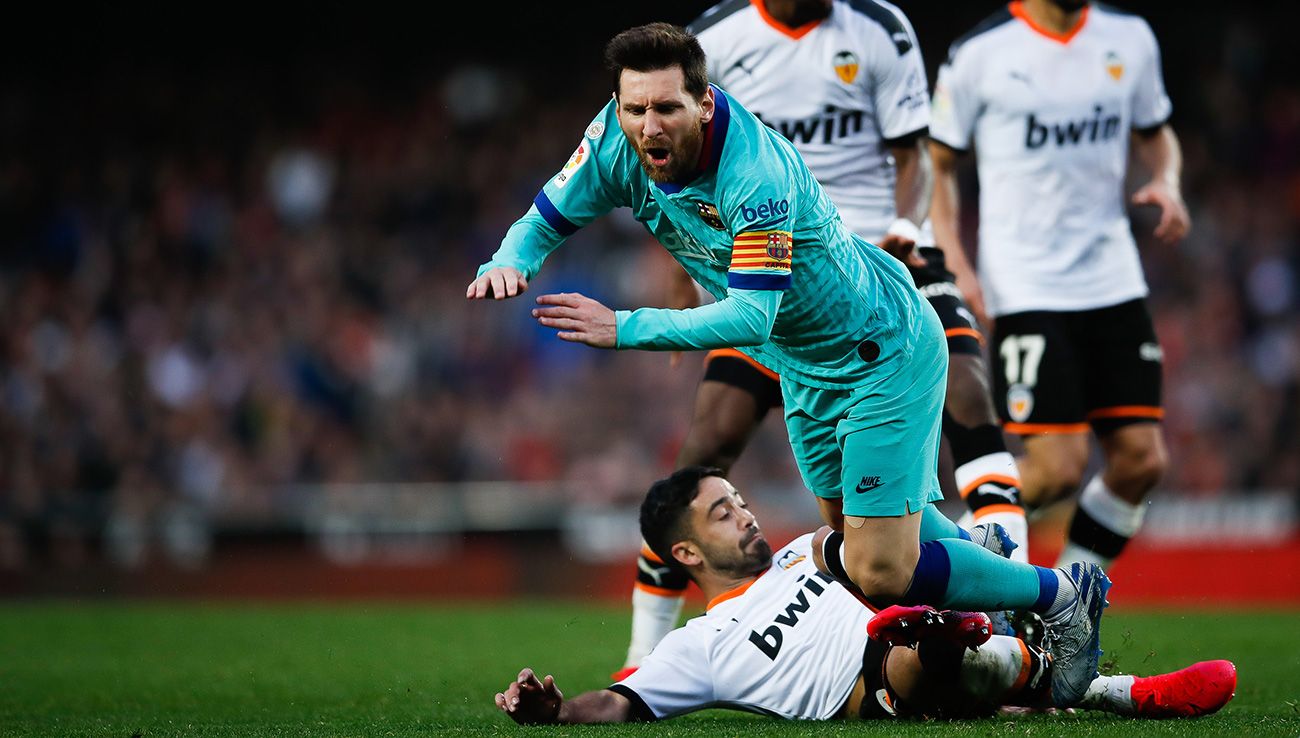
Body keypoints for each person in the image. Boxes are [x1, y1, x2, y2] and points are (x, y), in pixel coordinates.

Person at [466, 22, 1108, 706]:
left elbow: (749, 319)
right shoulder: (613, 142)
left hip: (879, 347)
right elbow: (543, 216)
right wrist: (512, 259)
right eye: (635, 109)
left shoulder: (754, 174)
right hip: (805, 361)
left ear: (704, 104)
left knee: (880, 569)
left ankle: (1064, 596)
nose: (648, 126)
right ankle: (975, 560)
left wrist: (622, 327)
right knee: (858, 538)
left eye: (666, 109)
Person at [618, 0, 1031, 677]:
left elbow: (914, 153)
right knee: (705, 449)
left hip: (880, 264)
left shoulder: (878, 26)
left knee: (969, 392)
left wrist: (906, 222)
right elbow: (673, 171)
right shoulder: (714, 39)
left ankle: (1018, 588)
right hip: (768, 269)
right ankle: (641, 655)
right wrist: (680, 283)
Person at [492, 467, 1237, 725]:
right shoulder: (696, 647)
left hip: (908, 636)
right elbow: (621, 703)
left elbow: (887, 545)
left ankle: (981, 597)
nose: (746, 513)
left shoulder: (799, 551)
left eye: (741, 499)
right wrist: (555, 711)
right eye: (723, 513)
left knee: (880, 543)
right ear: (685, 553)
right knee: (926, 657)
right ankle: (1117, 690)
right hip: (870, 687)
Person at [928, 0, 1191, 570]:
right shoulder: (981, 53)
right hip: (1027, 285)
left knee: (1142, 461)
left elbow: (1156, 131)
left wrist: (1166, 179)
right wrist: (954, 260)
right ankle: (934, 560)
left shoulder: (1130, 38)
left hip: (1113, 278)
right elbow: (937, 162)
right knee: (1056, 468)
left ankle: (1072, 603)